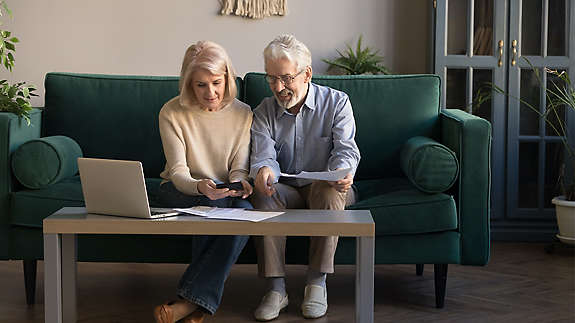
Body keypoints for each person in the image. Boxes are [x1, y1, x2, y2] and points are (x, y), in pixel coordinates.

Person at [250, 34, 361, 321]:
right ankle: (276, 289)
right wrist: (264, 171)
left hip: (326, 187)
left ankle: (316, 283)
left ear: (307, 74)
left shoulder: (337, 103)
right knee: (262, 190)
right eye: (272, 78)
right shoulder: (264, 111)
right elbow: (264, 156)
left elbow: (346, 151)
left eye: (286, 79)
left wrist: (342, 173)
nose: (278, 87)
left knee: (328, 191)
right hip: (285, 189)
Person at [153, 40, 253, 323]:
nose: (211, 92)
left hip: (224, 192)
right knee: (208, 207)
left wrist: (239, 182)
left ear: (227, 78)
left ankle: (189, 303)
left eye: (217, 82)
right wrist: (201, 186)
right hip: (180, 190)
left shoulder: (243, 113)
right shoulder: (171, 112)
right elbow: (178, 172)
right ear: (188, 84)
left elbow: (239, 167)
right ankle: (196, 303)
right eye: (201, 85)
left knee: (243, 214)